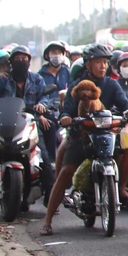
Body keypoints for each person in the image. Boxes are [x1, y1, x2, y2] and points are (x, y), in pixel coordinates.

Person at [40, 44, 128, 234]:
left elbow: (125, 105)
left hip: (107, 134)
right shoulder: (77, 86)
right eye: (98, 62)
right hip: (82, 136)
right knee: (66, 171)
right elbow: (67, 109)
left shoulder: (112, 84)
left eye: (105, 62)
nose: (102, 66)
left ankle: (123, 187)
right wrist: (66, 117)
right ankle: (48, 219)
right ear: (88, 64)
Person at [0, 45, 55, 206]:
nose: (21, 62)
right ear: (11, 62)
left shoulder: (37, 79)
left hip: (28, 123)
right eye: (17, 59)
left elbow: (45, 97)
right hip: (5, 124)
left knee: (43, 158)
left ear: (29, 61)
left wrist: (42, 105)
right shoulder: (3, 79)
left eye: (24, 59)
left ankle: (51, 198)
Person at [37, 40, 70, 170]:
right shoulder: (40, 75)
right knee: (48, 128)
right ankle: (50, 163)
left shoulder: (67, 72)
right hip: (47, 111)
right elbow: (37, 96)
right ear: (47, 55)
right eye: (53, 53)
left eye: (59, 53)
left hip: (65, 110)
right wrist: (40, 115)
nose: (56, 55)